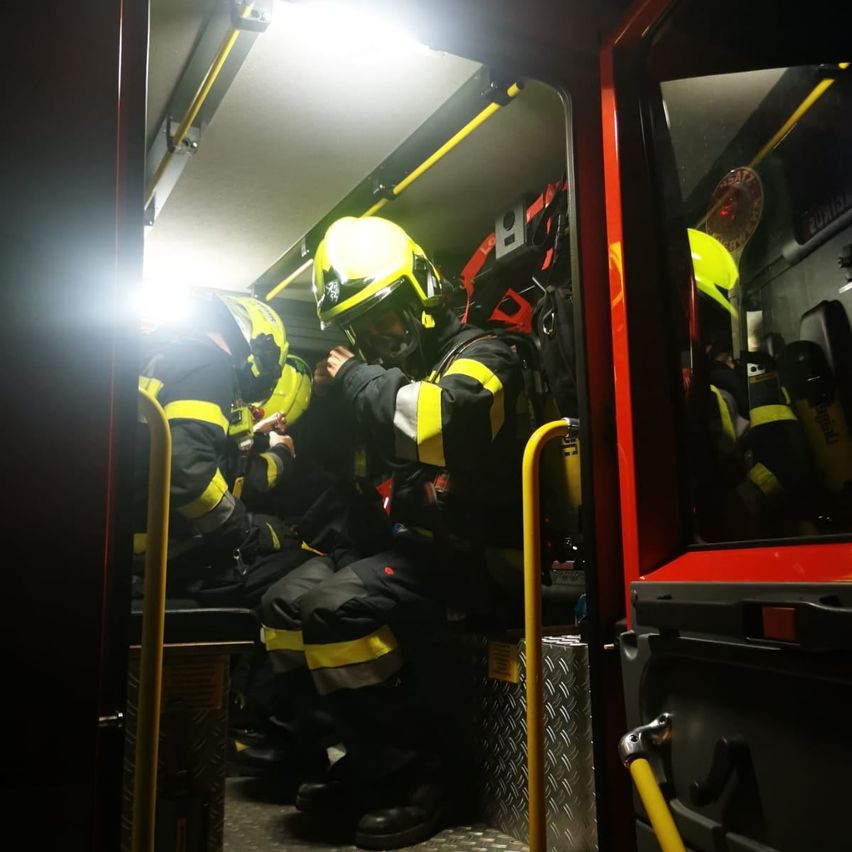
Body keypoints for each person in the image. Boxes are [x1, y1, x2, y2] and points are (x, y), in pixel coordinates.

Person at [259, 216, 524, 849]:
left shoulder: (485, 355)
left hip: (479, 560)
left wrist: (353, 379)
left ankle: (430, 775)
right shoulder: (386, 379)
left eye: (385, 316)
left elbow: (442, 424)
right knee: (281, 606)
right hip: (412, 549)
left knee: (334, 607)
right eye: (360, 326)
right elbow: (342, 461)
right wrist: (316, 410)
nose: (378, 337)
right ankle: (368, 757)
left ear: (422, 296)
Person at [134, 292, 308, 602]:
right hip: (159, 552)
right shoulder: (208, 363)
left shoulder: (162, 357)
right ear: (260, 350)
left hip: (132, 542)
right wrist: (245, 533)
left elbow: (208, 463)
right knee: (297, 566)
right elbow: (187, 470)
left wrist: (275, 452)